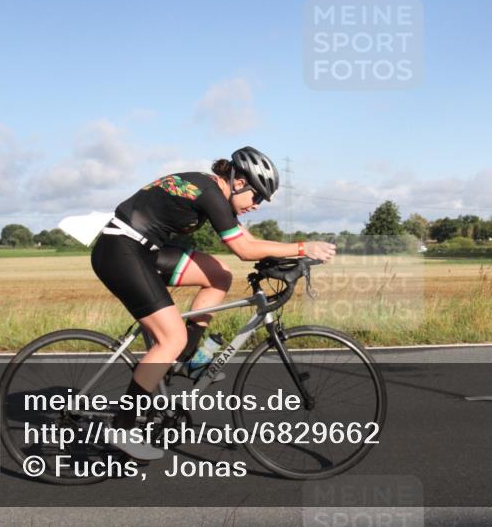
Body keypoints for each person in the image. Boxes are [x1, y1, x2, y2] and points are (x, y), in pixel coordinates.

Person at [90, 146, 336, 460]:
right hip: (120, 252)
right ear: (239, 182)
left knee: (219, 275)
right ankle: (121, 427)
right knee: (171, 337)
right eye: (257, 196)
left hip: (142, 249)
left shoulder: (211, 191)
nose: (256, 205)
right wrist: (304, 247)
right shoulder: (209, 192)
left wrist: (280, 258)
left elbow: (250, 244)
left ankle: (188, 356)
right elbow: (245, 249)